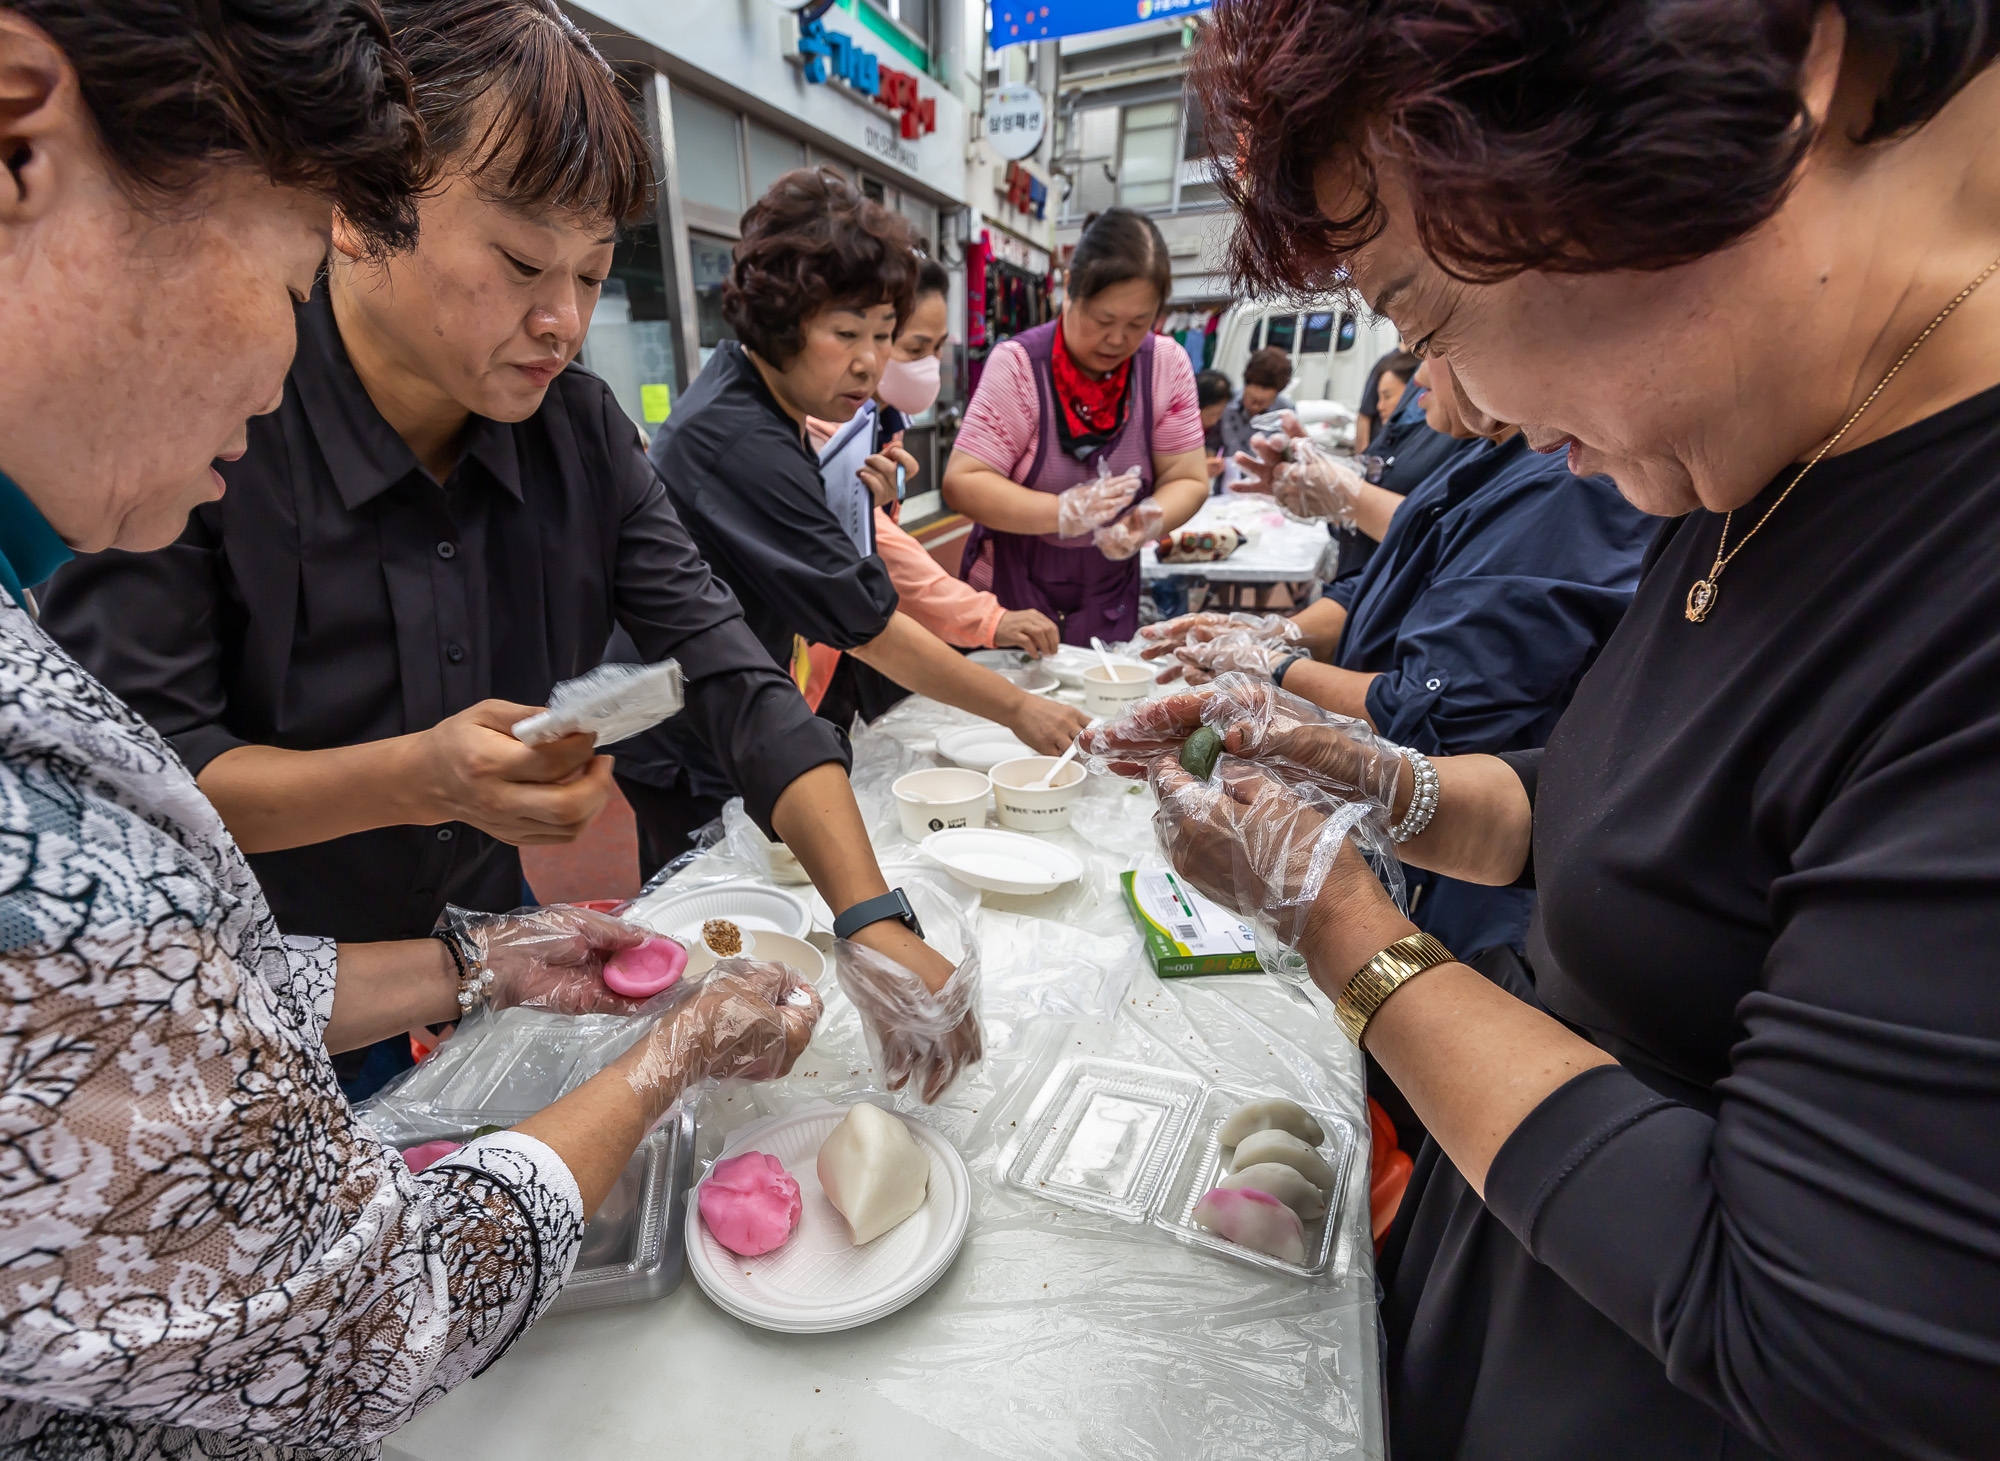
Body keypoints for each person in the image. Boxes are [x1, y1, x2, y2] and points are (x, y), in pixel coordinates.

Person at [1107, 3, 2000, 1458]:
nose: (1471, 409)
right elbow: (1619, 809)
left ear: (1756, 79)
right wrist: (1372, 778)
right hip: (1511, 1296)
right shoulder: (1757, 446)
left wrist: (1337, 922)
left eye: (1430, 320)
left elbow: (1808, 1329)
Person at [0, 0, 817, 1453]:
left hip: (383, 986)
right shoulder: (146, 540)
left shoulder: (577, 432)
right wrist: (674, 1053)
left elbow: (175, 988)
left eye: (590, 275)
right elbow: (359, 1318)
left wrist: (474, 959)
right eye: (282, 274)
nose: (278, 369)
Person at [41, 0, 949, 1103]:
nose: (563, 320)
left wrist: (868, 911)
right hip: (257, 992)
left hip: (494, 949)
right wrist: (419, 777)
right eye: (521, 263)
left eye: (593, 273)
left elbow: (726, 666)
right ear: (356, 214)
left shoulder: (579, 430)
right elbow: (138, 777)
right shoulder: (215, 422)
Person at [613, 169, 1088, 868]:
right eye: (845, 333)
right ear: (780, 322)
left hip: (723, 698)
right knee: (712, 894)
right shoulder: (741, 438)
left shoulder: (763, 399)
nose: (871, 363)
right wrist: (1017, 708)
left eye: (885, 335)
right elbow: (868, 628)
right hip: (686, 729)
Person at [1145, 352, 1653, 957]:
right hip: (1419, 823)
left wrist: (1274, 667)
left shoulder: (1562, 483)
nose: (1415, 379)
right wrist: (1275, 633)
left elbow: (1431, 707)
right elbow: (1394, 580)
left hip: (1476, 861)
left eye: (1430, 342)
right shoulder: (1485, 455)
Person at [802, 256, 1060, 730]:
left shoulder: (883, 419)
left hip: (841, 633)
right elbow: (877, 547)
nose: (931, 364)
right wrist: (987, 621)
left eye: (939, 347)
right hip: (810, 644)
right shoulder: (816, 430)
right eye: (915, 347)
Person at [942, 208, 1210, 645]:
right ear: (1070, 288)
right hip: (1013, 581)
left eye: (1138, 324)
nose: (1118, 339)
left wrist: (1145, 521)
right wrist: (1062, 513)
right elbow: (963, 482)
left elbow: (1188, 478)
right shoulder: (1019, 366)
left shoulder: (1165, 365)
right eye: (1103, 320)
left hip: (1108, 588)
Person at [1216, 344, 1295, 461]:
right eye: (1251, 399)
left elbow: (1290, 454)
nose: (1254, 406)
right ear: (1246, 384)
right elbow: (1211, 443)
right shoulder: (1227, 402)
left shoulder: (1285, 411)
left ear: (1277, 393)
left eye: (1261, 403)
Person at [1196, 368, 1234, 487]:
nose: (1214, 420)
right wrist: (1198, 467)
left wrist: (1211, 457)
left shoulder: (1216, 428)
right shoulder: (1176, 427)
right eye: (1211, 414)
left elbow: (1211, 448)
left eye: (1219, 414)